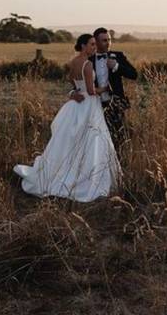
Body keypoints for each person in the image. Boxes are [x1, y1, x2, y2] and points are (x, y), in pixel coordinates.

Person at [13, 34, 120, 202]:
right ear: (83, 46)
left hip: (77, 104)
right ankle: (87, 176)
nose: (94, 47)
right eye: (91, 44)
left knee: (72, 139)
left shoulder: (74, 62)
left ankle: (66, 169)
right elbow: (92, 92)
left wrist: (75, 91)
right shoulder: (87, 64)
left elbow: (71, 79)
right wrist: (106, 87)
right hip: (89, 105)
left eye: (94, 44)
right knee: (92, 138)